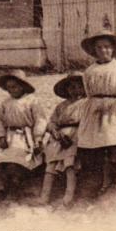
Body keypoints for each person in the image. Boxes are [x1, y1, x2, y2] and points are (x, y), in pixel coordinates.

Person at [76, 30, 116, 192]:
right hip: (96, 110)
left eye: (107, 47)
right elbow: (88, 91)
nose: (103, 50)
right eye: (99, 48)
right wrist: (97, 103)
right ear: (94, 51)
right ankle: (106, 180)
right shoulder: (89, 71)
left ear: (113, 49)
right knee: (101, 147)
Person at [0, 69, 47, 202]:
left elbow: (40, 119)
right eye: (9, 87)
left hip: (25, 136)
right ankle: (0, 189)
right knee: (0, 160)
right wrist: (1, 136)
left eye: (15, 86)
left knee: (18, 161)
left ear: (23, 86)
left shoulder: (32, 101)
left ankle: (15, 188)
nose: (12, 90)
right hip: (9, 136)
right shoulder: (5, 103)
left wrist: (38, 137)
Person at [38, 73, 87, 207]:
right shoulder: (61, 106)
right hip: (59, 137)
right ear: (66, 90)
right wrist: (54, 130)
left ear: (84, 88)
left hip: (76, 135)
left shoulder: (86, 104)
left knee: (69, 164)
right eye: (71, 87)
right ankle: (45, 195)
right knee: (51, 164)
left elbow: (89, 122)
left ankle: (69, 194)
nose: (75, 90)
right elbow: (52, 122)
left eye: (78, 87)